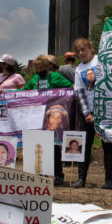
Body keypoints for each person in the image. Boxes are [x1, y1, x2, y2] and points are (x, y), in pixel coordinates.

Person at [72, 38, 112, 189]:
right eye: (78, 51)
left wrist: (103, 111)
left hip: (104, 111)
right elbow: (79, 92)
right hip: (88, 112)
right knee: (85, 145)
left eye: (83, 49)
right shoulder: (78, 70)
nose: (81, 53)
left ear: (91, 49)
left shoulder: (101, 61)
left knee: (107, 144)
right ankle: (81, 178)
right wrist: (86, 114)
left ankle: (109, 179)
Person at [23, 54, 73, 186]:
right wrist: (4, 93)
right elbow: (24, 91)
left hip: (52, 116)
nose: (38, 70)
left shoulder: (55, 76)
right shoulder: (35, 78)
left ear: (47, 66)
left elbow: (70, 87)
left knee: (54, 145)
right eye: (36, 68)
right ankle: (41, 173)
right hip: (37, 116)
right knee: (40, 145)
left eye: (41, 67)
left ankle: (58, 174)